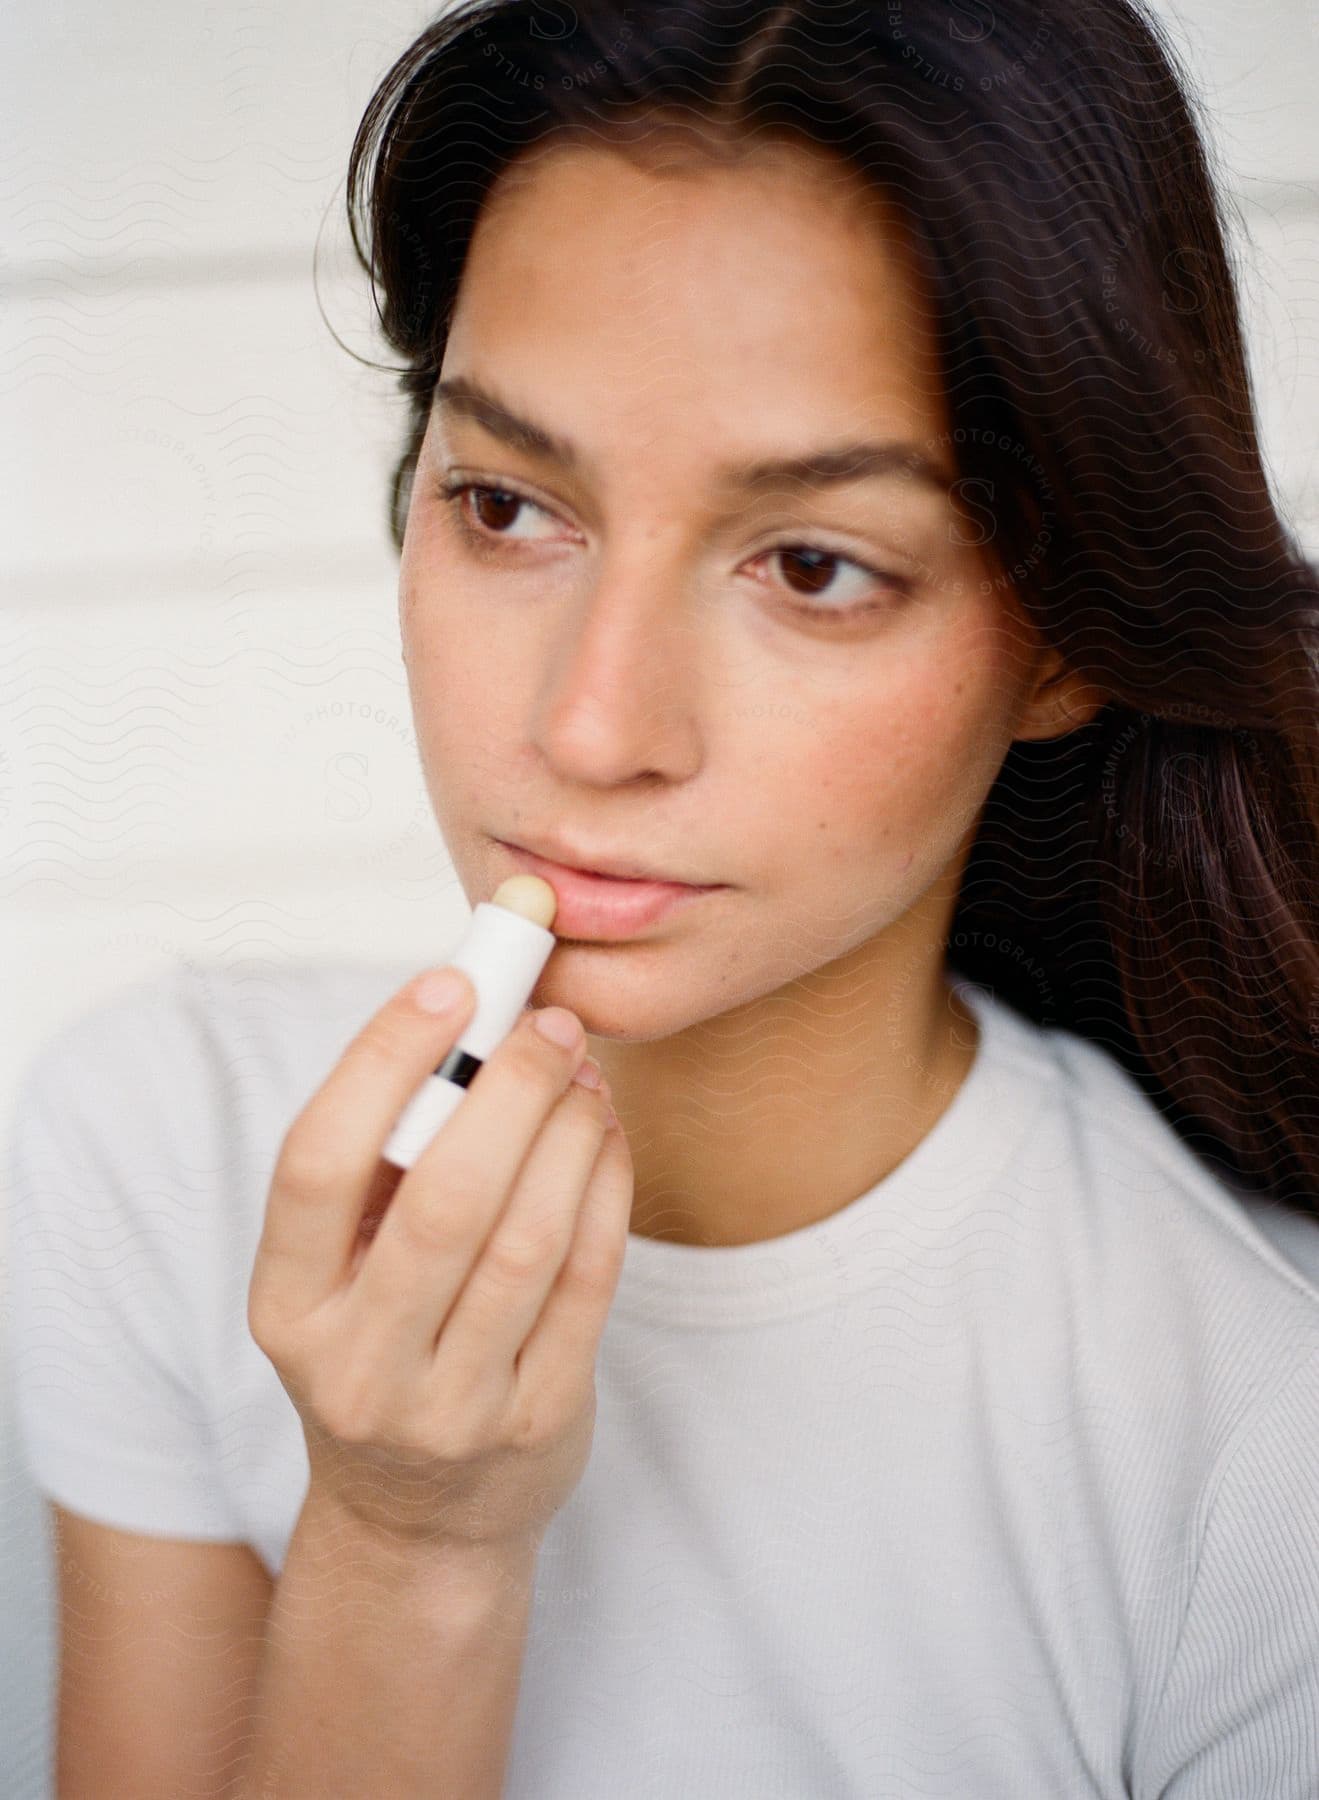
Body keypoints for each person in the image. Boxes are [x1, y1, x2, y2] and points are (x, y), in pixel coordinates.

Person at [7, 1, 1319, 1795]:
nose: (588, 724)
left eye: (810, 565)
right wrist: (402, 1548)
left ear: (1068, 639)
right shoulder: (158, 1145)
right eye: (509, 506)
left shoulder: (1258, 1446)